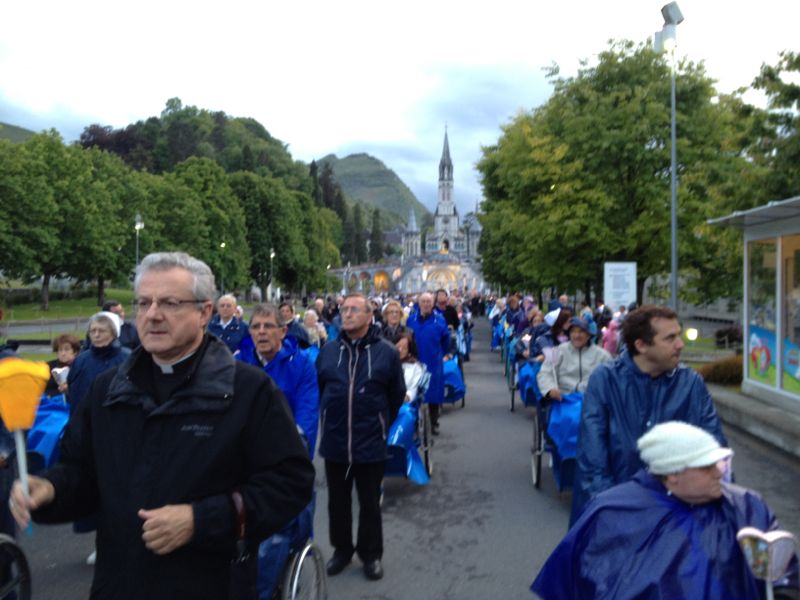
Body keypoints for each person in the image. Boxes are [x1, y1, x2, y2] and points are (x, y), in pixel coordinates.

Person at [10, 252, 314, 600]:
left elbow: (290, 484)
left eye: (169, 302)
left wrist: (201, 520)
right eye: (143, 303)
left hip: (211, 585)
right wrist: (50, 489)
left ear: (205, 312)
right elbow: (84, 475)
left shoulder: (248, 391)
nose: (152, 314)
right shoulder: (108, 390)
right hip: (118, 585)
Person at [532, 422, 799, 599]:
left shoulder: (746, 506)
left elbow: (781, 570)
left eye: (720, 462)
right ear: (672, 474)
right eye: (707, 466)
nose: (721, 472)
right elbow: (575, 582)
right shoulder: (612, 513)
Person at [571, 304, 727, 525]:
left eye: (679, 336)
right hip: (615, 515)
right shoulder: (605, 381)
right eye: (670, 338)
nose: (680, 344)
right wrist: (614, 512)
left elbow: (716, 450)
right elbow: (592, 459)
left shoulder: (691, 384)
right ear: (641, 345)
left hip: (680, 518)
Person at [317, 292, 405, 581]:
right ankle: (342, 550)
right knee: (337, 502)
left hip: (370, 438)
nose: (347, 313)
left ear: (370, 315)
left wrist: (381, 423)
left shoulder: (387, 352)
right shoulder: (329, 351)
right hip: (336, 438)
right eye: (344, 309)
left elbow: (396, 395)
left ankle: (371, 555)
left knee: (369, 503)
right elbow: (321, 390)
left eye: (354, 309)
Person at [235, 303, 319, 457]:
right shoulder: (238, 363)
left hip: (287, 451)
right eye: (255, 327)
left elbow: (307, 410)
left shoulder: (302, 364)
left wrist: (296, 453)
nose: (261, 332)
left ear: (283, 331)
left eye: (268, 326)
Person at [66, 312, 130, 412]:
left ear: (113, 333)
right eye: (92, 331)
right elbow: (72, 391)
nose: (96, 335)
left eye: (102, 331)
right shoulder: (81, 360)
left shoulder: (127, 359)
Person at [407, 292, 451, 435]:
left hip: (433, 361)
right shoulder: (411, 320)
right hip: (415, 361)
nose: (426, 304)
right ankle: (413, 424)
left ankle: (433, 422)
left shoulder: (439, 320)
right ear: (419, 303)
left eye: (428, 302)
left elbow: (446, 340)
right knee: (413, 392)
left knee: (434, 394)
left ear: (432, 304)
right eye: (423, 301)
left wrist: (441, 354)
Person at [536, 317, 611, 401]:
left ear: (588, 335)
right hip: (563, 399)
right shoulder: (556, 350)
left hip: (592, 401)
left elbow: (610, 380)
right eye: (573, 331)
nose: (576, 335)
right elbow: (544, 372)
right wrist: (550, 389)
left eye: (581, 331)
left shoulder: (603, 356)